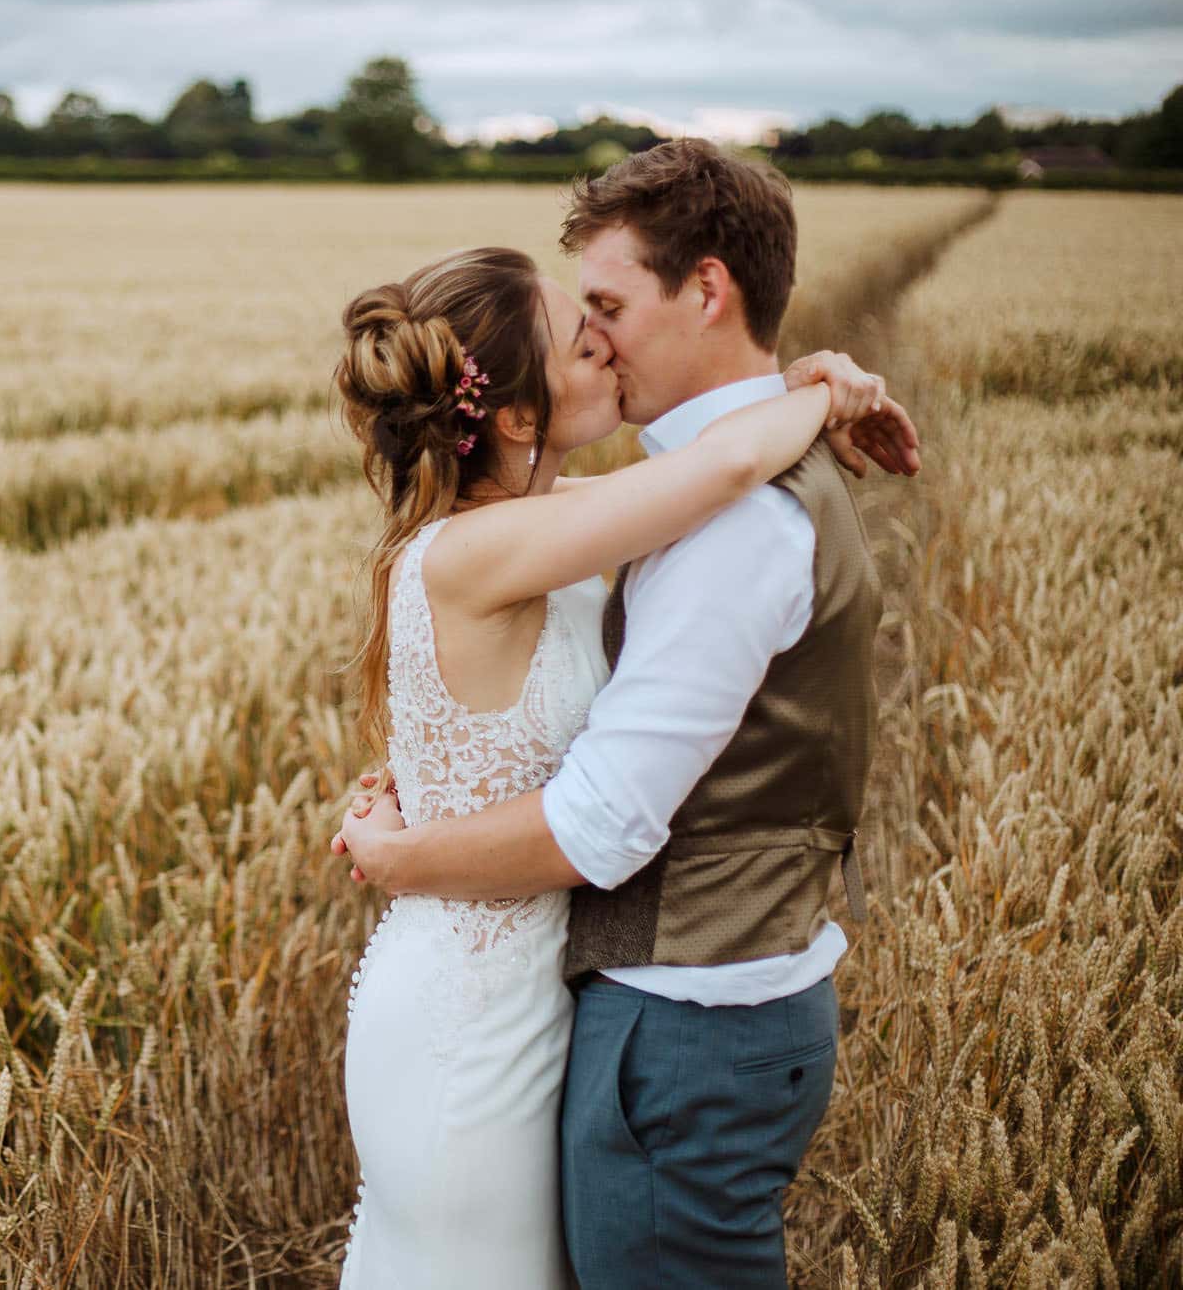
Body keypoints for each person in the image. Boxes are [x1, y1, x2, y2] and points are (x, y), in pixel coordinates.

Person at [331, 140, 919, 1289]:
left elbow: (704, 476)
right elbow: (703, 474)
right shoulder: (512, 538)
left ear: (703, 291)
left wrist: (808, 394)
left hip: (582, 1000)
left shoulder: (598, 511)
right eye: (576, 328)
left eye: (605, 309)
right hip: (475, 1007)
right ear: (506, 415)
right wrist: (808, 392)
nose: (597, 342)